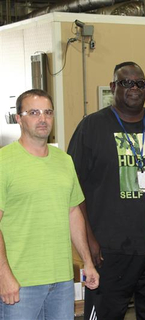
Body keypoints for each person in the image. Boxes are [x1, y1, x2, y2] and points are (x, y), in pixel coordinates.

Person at [67, 62, 145, 320]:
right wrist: (89, 241)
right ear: (112, 87)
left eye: (140, 83)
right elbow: (74, 191)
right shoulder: (91, 128)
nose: (134, 88)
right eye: (126, 82)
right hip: (110, 250)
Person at [0, 89, 99, 319]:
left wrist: (87, 262)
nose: (42, 119)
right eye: (33, 112)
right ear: (19, 119)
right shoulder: (4, 162)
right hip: (20, 283)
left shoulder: (64, 161)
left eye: (48, 112)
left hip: (61, 282)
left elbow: (73, 212)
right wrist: (4, 275)